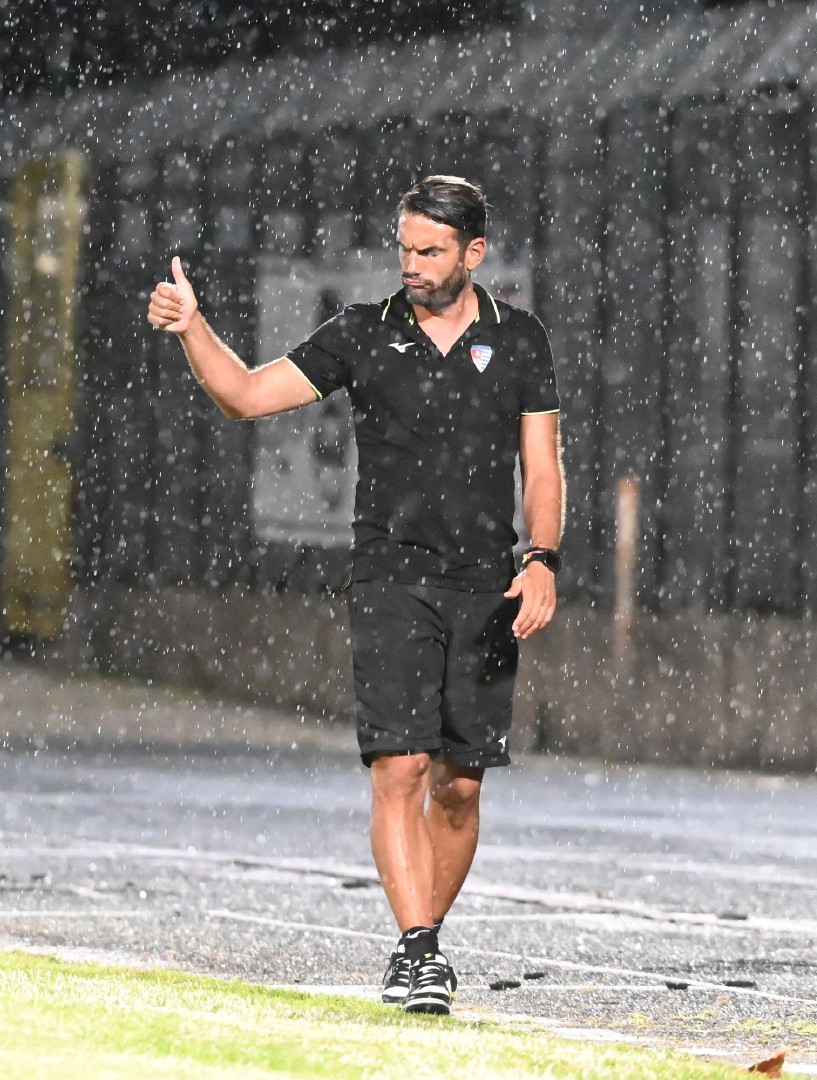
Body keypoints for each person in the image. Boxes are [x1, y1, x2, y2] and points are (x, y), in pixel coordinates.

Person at [148, 175, 565, 1015]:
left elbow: (543, 464)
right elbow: (245, 396)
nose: (411, 265)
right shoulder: (361, 335)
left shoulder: (519, 340)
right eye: (404, 249)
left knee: (458, 784)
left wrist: (543, 557)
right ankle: (416, 949)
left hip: (485, 585)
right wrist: (193, 329)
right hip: (390, 578)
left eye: (430, 251)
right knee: (398, 766)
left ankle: (423, 946)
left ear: (472, 254)